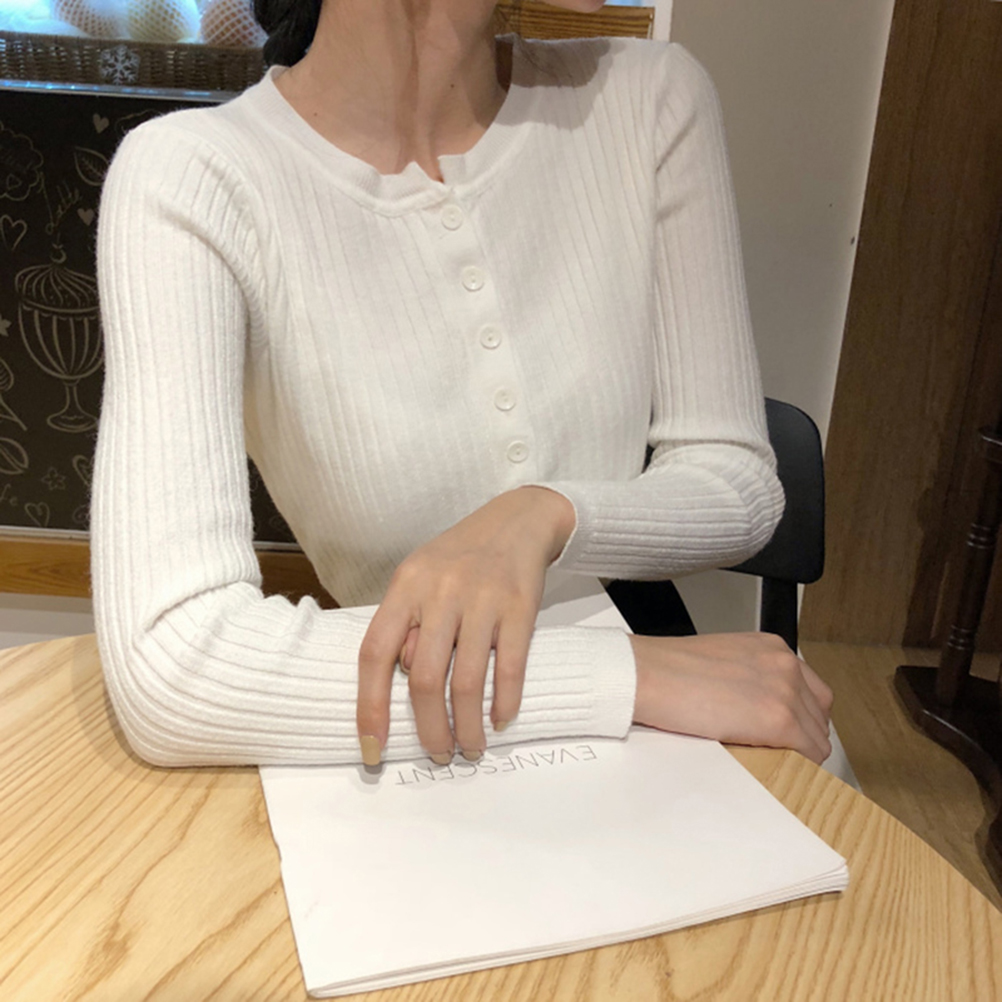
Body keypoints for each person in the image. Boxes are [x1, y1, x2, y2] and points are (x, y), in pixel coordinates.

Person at [91, 0, 834, 771]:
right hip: (435, 732)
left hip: (644, 704)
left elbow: (737, 480)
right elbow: (174, 665)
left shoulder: (649, 97)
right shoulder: (194, 177)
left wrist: (542, 515)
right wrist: (630, 677)